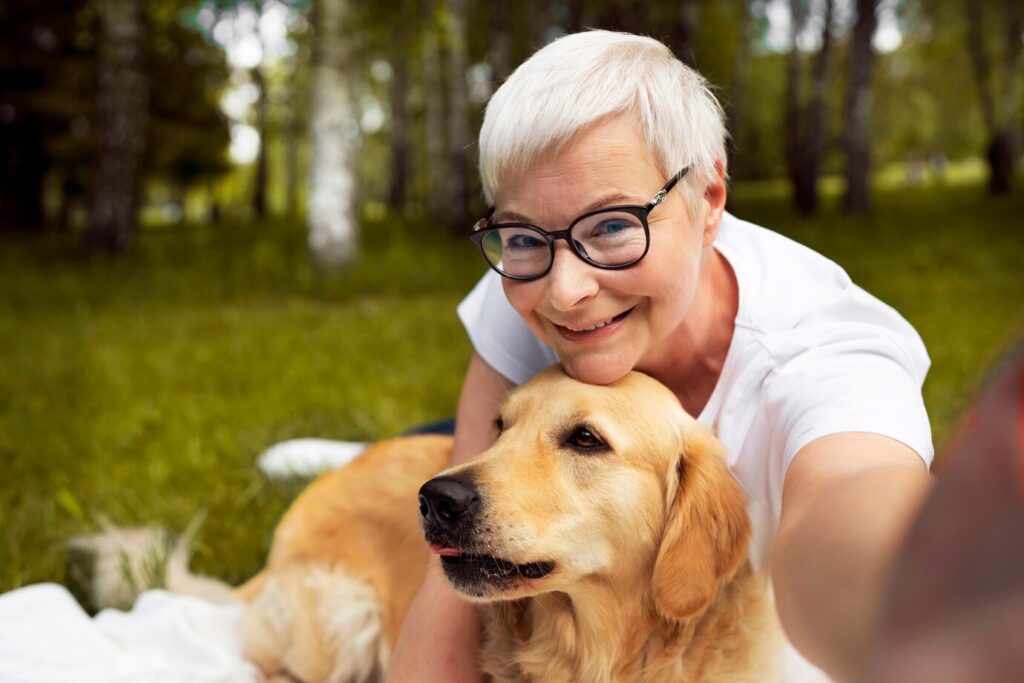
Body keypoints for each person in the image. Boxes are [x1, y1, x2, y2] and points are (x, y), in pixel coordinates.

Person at [389, 30, 932, 682]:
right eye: (524, 233)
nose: (566, 291)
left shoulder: (827, 358)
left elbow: (852, 498)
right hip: (552, 479)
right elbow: (444, 602)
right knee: (450, 447)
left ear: (709, 199)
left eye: (614, 225)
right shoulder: (525, 282)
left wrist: (883, 565)